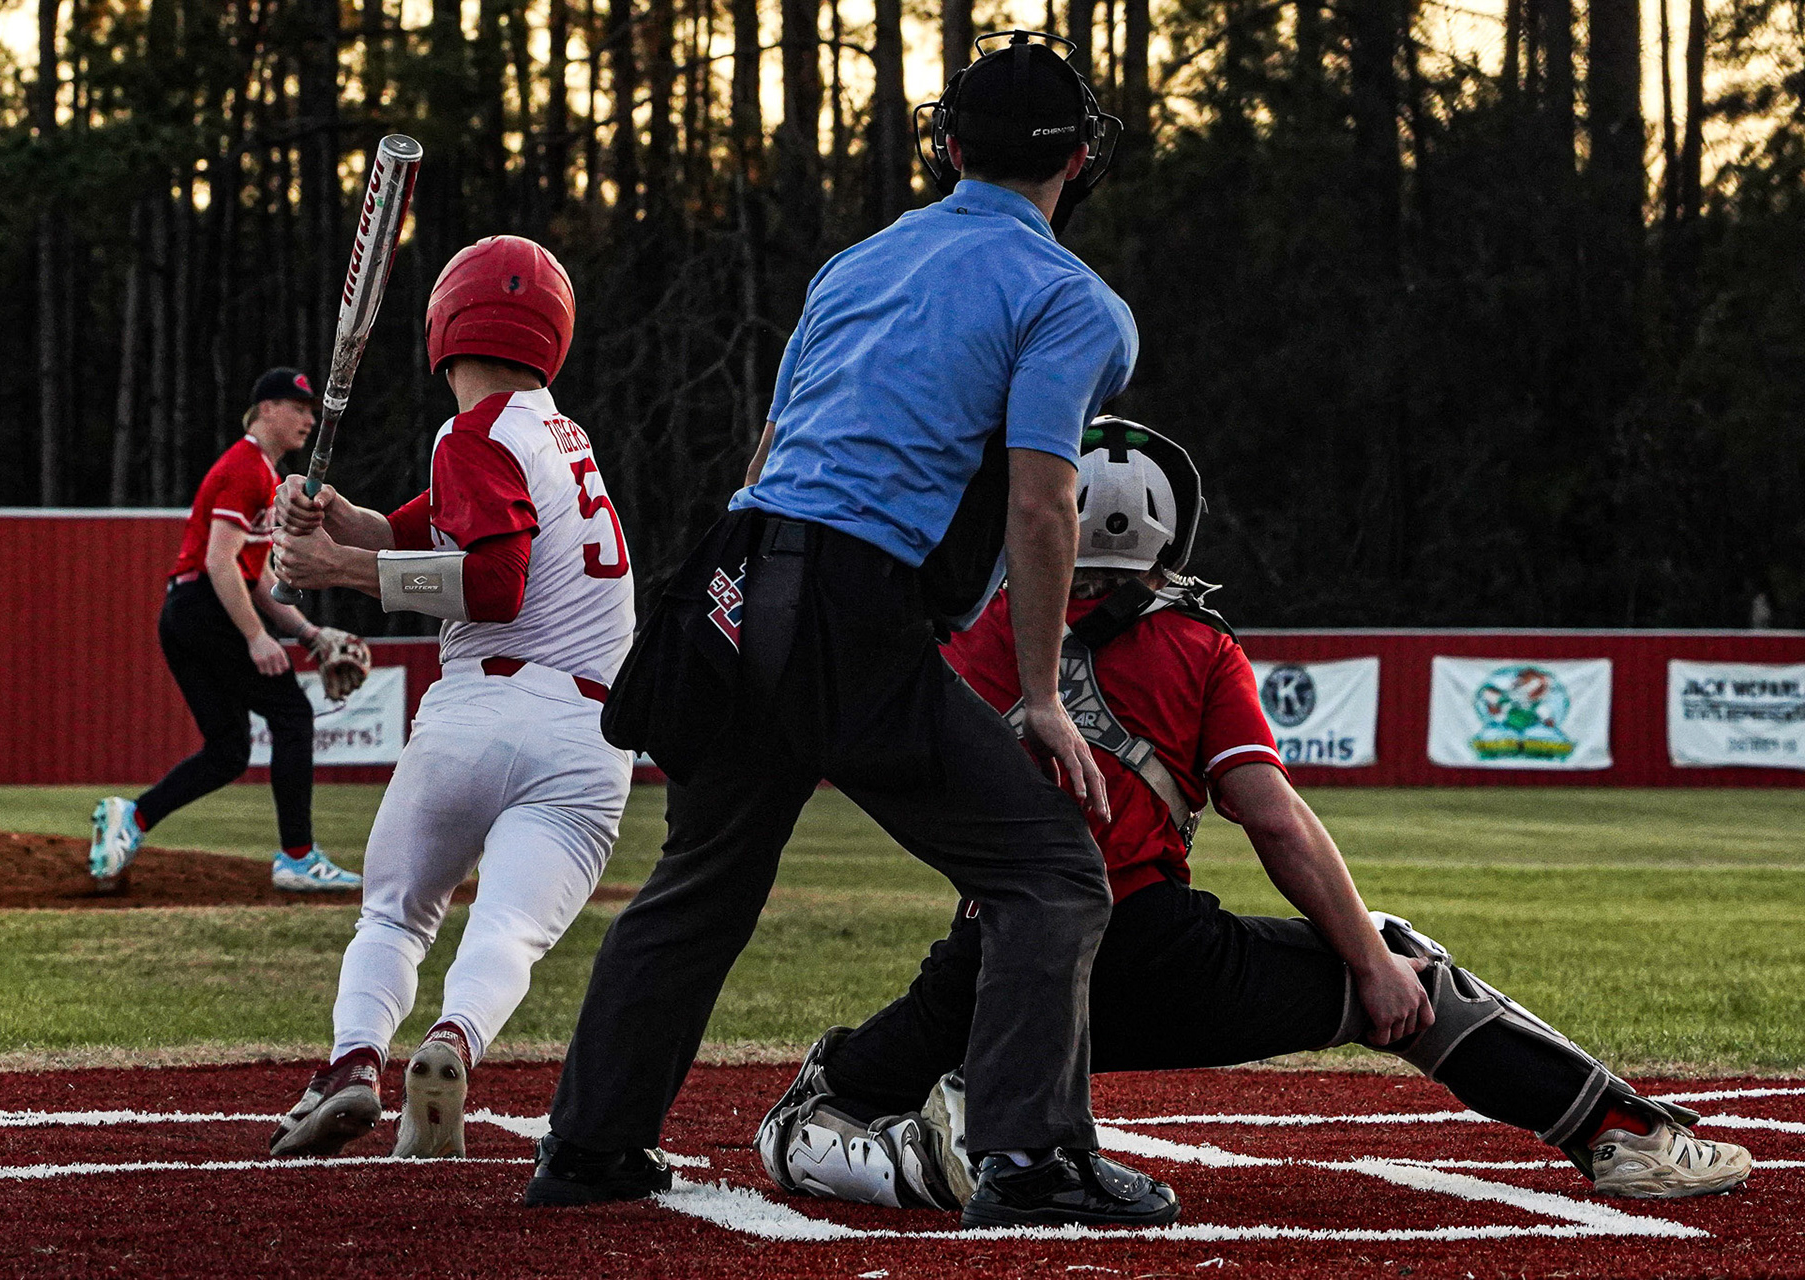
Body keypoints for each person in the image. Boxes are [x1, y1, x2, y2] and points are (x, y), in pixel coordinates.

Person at [754, 418, 1755, 1210]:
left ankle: (928, 1154)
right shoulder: (1198, 646)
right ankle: (1622, 1136)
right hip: (1159, 954)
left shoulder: (971, 634)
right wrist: (1369, 962)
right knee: (1409, 968)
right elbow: (1275, 823)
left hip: (994, 967)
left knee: (812, 1110)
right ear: (1170, 530)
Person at [524, 32, 1179, 1230]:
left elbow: (768, 457)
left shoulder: (853, 264)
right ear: (1079, 160)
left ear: (949, 146)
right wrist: (1042, 695)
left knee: (701, 880)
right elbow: (1044, 500)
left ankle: (590, 1144)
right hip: (851, 598)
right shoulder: (1071, 299)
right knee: (1049, 873)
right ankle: (1030, 1158)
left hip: (736, 577)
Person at [263, 235, 637, 1162]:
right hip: (588, 739)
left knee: (394, 914)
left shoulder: (473, 435)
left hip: (478, 712)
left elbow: (493, 584)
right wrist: (336, 517)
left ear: (446, 325)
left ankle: (354, 1060)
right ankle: (453, 1040)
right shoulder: (557, 436)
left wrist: (337, 568)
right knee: (508, 928)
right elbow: (415, 531)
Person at [89, 367, 365, 894]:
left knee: (228, 750)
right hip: (205, 606)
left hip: (187, 611)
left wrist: (309, 634)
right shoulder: (246, 467)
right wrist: (256, 637)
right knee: (291, 713)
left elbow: (254, 576)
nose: (309, 419)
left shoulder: (260, 471)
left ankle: (133, 817)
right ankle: (298, 857)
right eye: (297, 407)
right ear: (266, 409)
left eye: (310, 410)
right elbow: (220, 562)